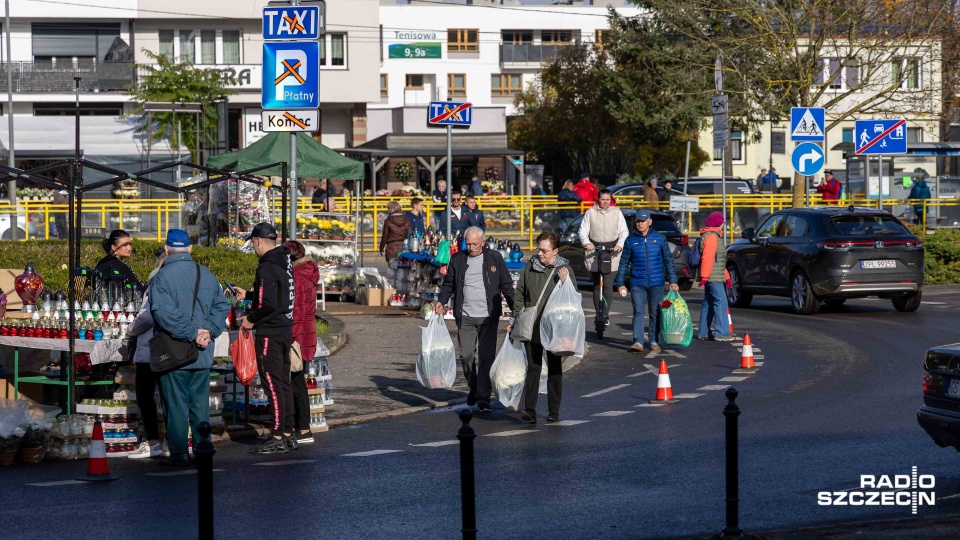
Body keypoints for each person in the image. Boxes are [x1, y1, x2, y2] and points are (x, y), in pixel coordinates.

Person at [149, 229, 230, 466]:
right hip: (202, 353)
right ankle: (203, 449)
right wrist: (208, 331)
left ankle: (179, 453)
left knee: (175, 406)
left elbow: (163, 313)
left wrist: (192, 332)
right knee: (199, 405)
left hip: (174, 353)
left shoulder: (161, 277)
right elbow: (222, 306)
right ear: (190, 249)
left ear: (166, 249)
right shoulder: (205, 273)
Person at [435, 226, 515, 412]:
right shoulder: (458, 259)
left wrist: (515, 308)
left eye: (475, 244)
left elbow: (506, 285)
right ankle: (474, 387)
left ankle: (483, 398)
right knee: (467, 356)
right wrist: (441, 301)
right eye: (468, 244)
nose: (471, 247)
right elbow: (449, 285)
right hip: (466, 316)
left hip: (488, 317)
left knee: (486, 359)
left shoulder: (494, 258)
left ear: (483, 242)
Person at [233, 222, 296, 454]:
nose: (253, 248)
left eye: (253, 244)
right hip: (284, 329)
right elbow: (277, 297)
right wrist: (249, 294)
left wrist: (251, 318)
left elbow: (268, 304)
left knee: (272, 383)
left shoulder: (266, 267)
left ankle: (277, 433)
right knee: (283, 382)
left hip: (270, 331)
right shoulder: (284, 263)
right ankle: (288, 432)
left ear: (258, 241)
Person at [508, 231, 574, 424]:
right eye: (539, 249)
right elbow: (520, 292)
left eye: (544, 250)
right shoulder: (530, 266)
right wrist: (516, 316)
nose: (540, 253)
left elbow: (572, 298)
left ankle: (553, 410)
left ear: (555, 251)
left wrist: (566, 282)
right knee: (533, 367)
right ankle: (530, 410)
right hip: (532, 326)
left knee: (554, 368)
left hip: (555, 328)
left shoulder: (564, 269)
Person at [124, 251, 168, 459]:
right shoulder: (182, 286)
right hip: (173, 349)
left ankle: (152, 442)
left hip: (150, 349)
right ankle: (174, 441)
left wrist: (130, 330)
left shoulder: (155, 286)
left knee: (145, 397)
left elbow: (146, 317)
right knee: (171, 399)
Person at [616, 210, 679, 353]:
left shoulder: (659, 238)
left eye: (642, 221)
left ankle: (653, 340)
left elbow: (668, 260)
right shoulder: (630, 240)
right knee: (638, 311)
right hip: (638, 283)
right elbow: (624, 263)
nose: (639, 224)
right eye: (637, 221)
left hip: (657, 283)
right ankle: (638, 341)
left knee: (655, 312)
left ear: (649, 222)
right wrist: (620, 283)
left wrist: (673, 281)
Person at [285, 240, 319, 445]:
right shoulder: (307, 272)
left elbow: (296, 312)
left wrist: (290, 337)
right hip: (306, 334)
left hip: (298, 336)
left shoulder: (297, 277)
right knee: (297, 381)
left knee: (294, 381)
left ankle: (302, 428)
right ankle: (303, 428)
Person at [578, 189, 628, 327]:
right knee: (596, 285)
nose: (605, 202)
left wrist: (619, 245)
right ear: (598, 200)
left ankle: (605, 314)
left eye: (607, 199)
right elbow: (582, 231)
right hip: (594, 251)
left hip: (612, 252)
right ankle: (598, 313)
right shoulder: (590, 213)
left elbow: (624, 232)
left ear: (611, 200)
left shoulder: (617, 213)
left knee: (607, 284)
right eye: (603, 199)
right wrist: (586, 243)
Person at [696, 211, 734, 342]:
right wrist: (705, 277)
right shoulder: (712, 237)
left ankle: (703, 332)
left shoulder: (711, 235)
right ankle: (722, 333)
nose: (724, 225)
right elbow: (708, 258)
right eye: (723, 222)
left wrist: (727, 276)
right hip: (713, 277)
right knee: (721, 302)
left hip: (713, 275)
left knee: (709, 303)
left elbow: (718, 260)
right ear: (718, 223)